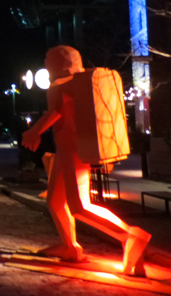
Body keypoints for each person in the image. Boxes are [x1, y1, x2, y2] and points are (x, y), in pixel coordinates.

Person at [23, 45, 151, 276]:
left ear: (59, 63)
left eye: (48, 60)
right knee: (55, 202)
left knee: (79, 206)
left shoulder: (59, 86)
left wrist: (34, 131)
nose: (46, 64)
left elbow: (55, 112)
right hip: (69, 151)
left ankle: (131, 236)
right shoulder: (78, 83)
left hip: (71, 152)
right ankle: (70, 247)